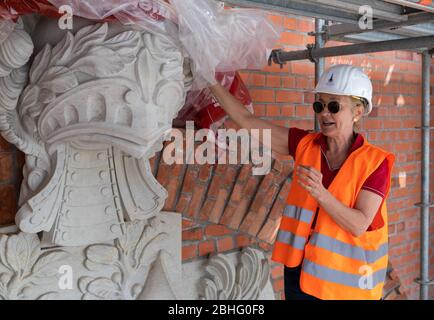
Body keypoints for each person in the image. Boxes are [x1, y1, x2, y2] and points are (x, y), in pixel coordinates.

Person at [209, 64, 395, 300]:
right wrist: (209, 80)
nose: (324, 113)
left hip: (346, 286)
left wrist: (321, 193)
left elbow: (359, 224)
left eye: (334, 106)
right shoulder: (304, 144)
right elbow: (246, 119)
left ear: (357, 112)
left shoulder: (375, 162)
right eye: (320, 105)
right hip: (300, 274)